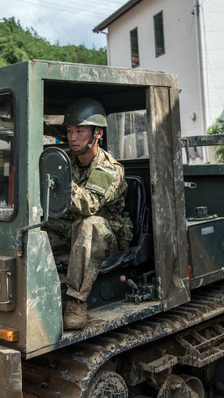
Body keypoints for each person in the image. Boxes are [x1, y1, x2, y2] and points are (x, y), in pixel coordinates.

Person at [45, 98, 133, 330]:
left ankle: (76, 301)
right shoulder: (66, 161)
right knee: (38, 224)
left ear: (97, 134)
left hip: (106, 235)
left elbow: (89, 204)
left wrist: (57, 183)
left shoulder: (109, 169)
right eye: (70, 131)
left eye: (80, 131)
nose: (73, 138)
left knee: (89, 225)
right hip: (73, 228)